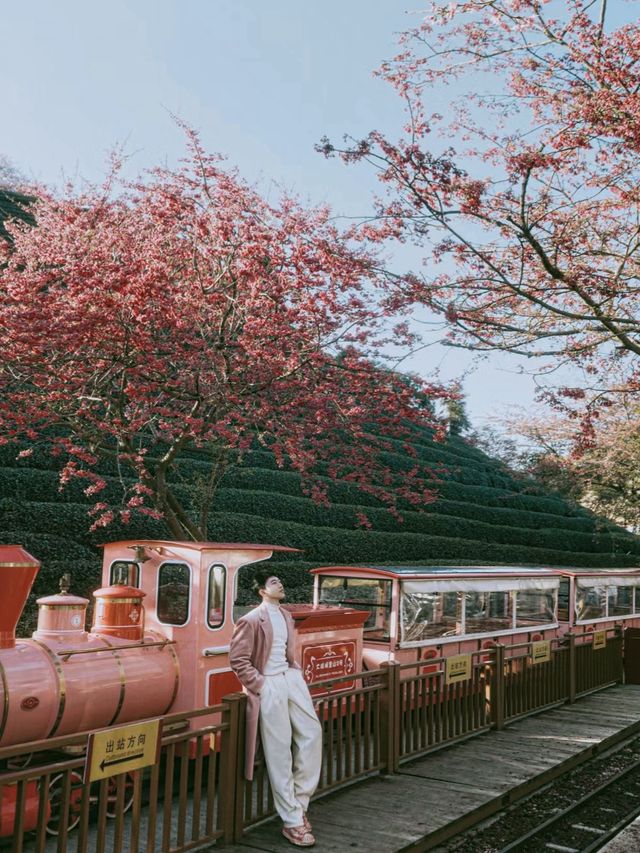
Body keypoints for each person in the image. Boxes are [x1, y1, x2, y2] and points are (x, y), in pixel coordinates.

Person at [229, 568, 322, 848]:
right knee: (279, 751)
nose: (280, 584)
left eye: (280, 580)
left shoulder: (285, 614)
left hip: (290, 679)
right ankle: (293, 821)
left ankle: (298, 804)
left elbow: (285, 650)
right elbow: (238, 659)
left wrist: (295, 671)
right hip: (269, 684)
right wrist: (260, 685)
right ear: (261, 591)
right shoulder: (250, 620)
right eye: (273, 582)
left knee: (312, 734)